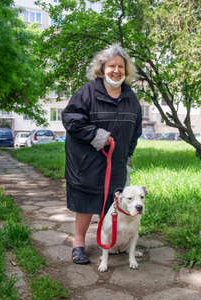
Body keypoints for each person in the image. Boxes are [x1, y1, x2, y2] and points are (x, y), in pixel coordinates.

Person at [61, 44, 142, 264]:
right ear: (102, 68)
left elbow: (136, 130)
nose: (116, 70)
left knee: (112, 204)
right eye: (111, 66)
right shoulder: (87, 92)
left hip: (115, 162)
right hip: (85, 161)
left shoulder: (130, 98)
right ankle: (79, 244)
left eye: (121, 67)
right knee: (85, 203)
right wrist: (96, 135)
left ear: (126, 71)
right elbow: (71, 119)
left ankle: (113, 243)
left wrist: (127, 155)